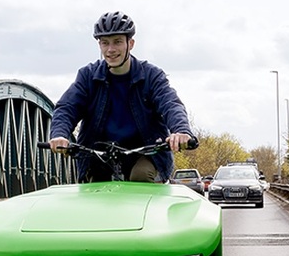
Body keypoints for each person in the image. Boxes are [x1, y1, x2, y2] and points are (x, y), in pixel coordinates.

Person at [48, 11, 196, 182]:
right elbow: (67, 107)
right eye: (105, 43)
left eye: (117, 42)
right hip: (99, 155)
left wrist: (181, 131)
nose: (110, 50)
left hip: (147, 153)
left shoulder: (151, 75)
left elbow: (171, 104)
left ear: (130, 43)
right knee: (95, 185)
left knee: (140, 176)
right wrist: (59, 134)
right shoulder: (88, 76)